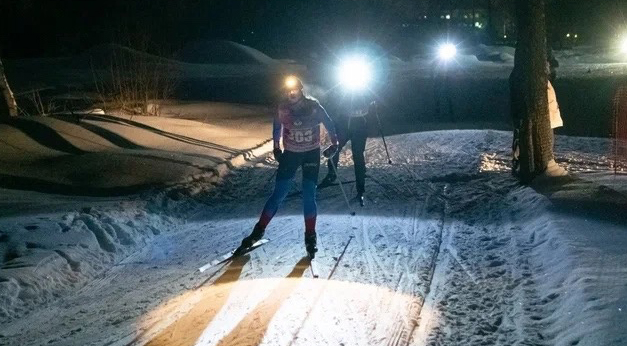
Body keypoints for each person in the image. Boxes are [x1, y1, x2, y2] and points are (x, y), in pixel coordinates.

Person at [234, 76, 338, 258]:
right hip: (291, 154)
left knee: (308, 194)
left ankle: (310, 236)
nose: (291, 93)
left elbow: (329, 123)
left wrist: (334, 144)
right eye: (288, 90)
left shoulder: (313, 107)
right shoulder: (283, 108)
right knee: (278, 194)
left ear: (301, 90)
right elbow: (276, 128)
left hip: (310, 154)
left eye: (295, 90)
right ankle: (258, 231)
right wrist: (276, 148)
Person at [319, 95, 371, 206]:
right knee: (335, 148)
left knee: (358, 155)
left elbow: (373, 97)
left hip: (360, 125)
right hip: (343, 124)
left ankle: (360, 189)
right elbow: (334, 100)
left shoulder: (365, 88)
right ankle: (331, 174)